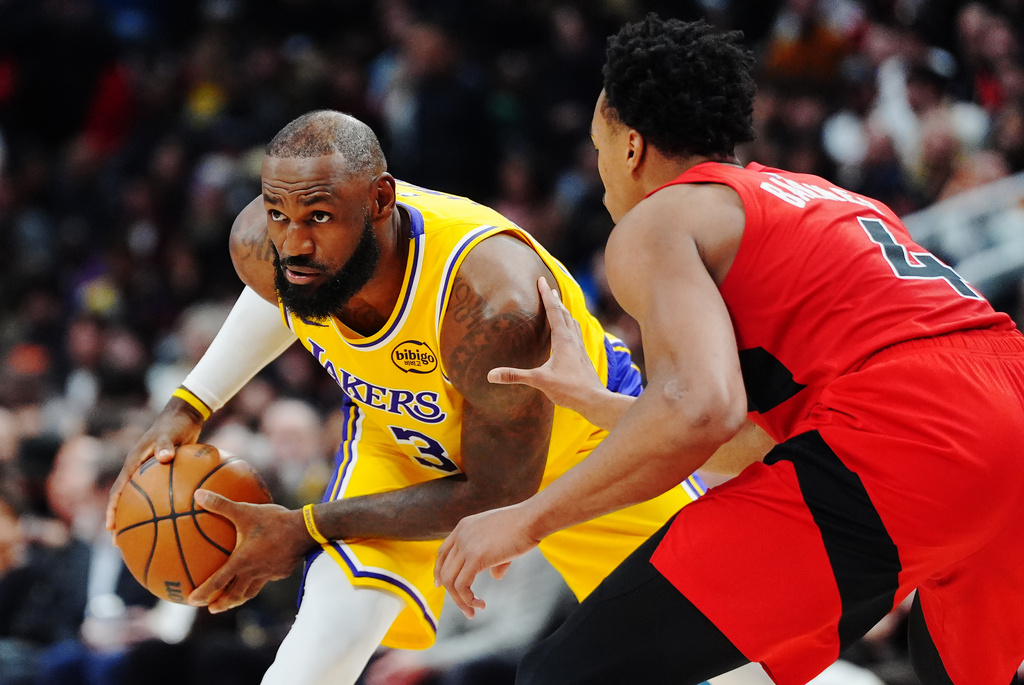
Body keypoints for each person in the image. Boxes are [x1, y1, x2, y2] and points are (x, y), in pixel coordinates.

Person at [435, 15, 1024, 685]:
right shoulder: (829, 198)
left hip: (909, 427)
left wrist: (527, 519)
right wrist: (603, 404)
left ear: (630, 146)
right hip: (1004, 405)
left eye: (598, 149)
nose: (600, 179)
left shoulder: (658, 222)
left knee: (567, 674)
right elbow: (755, 444)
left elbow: (702, 410)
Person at [104, 109, 754, 685]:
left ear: (381, 201)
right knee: (312, 655)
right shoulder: (273, 244)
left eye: (320, 218)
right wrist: (185, 406)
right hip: (404, 443)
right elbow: (282, 291)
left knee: (737, 664)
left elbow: (498, 491)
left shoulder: (491, 300)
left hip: (577, 450)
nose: (295, 243)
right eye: (281, 216)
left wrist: (303, 528)